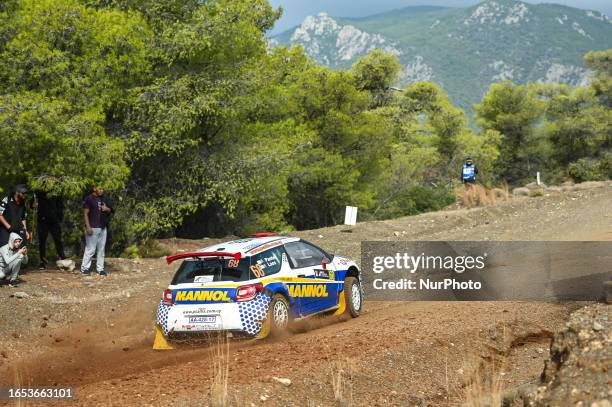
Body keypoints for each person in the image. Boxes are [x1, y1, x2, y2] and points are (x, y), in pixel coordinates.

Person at [80, 186, 113, 276]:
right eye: (100, 188)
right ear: (94, 188)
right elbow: (85, 214)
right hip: (92, 227)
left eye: (103, 189)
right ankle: (84, 268)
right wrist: (88, 227)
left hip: (102, 227)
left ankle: (100, 269)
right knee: (91, 249)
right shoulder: (89, 199)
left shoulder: (103, 198)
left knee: (101, 250)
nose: (102, 190)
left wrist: (107, 209)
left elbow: (111, 210)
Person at [35, 191, 67, 270]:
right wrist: (34, 205)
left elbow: (60, 206)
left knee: (58, 240)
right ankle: (42, 261)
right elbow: (32, 204)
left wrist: (59, 219)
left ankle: (62, 259)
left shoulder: (57, 191)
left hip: (54, 221)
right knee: (42, 241)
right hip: (42, 220)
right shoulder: (39, 191)